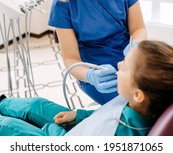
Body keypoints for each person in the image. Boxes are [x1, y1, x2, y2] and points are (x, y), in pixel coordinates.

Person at [0, 40, 173, 136]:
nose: (119, 64)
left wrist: (52, 129)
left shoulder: (114, 133)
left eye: (125, 66)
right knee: (36, 105)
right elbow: (103, 115)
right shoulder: (140, 102)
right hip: (80, 129)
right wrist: (77, 116)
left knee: (8, 126)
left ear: (138, 95)